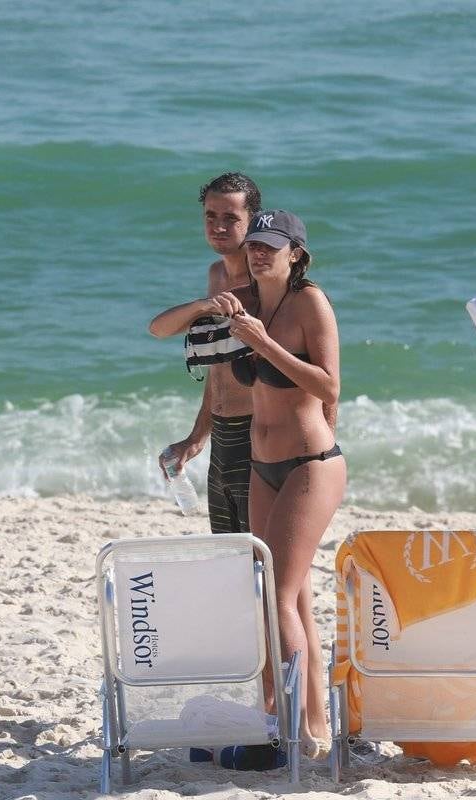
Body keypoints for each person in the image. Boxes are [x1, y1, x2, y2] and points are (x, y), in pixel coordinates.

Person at [150, 210, 344, 758]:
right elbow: (160, 329)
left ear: (296, 254)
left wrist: (263, 344)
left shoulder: (311, 303)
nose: (259, 254)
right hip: (262, 466)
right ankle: (310, 726)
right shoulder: (248, 303)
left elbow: (330, 383)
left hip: (311, 463)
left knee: (275, 593)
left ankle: (286, 727)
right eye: (254, 245)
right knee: (294, 597)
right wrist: (210, 307)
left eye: (271, 247)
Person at [150, 172, 260, 534]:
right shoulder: (217, 275)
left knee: (267, 555)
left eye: (231, 218)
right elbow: (163, 332)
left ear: (253, 221)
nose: (218, 226)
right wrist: (197, 438)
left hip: (259, 433)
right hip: (224, 435)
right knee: (231, 550)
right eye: (211, 216)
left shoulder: (265, 282)